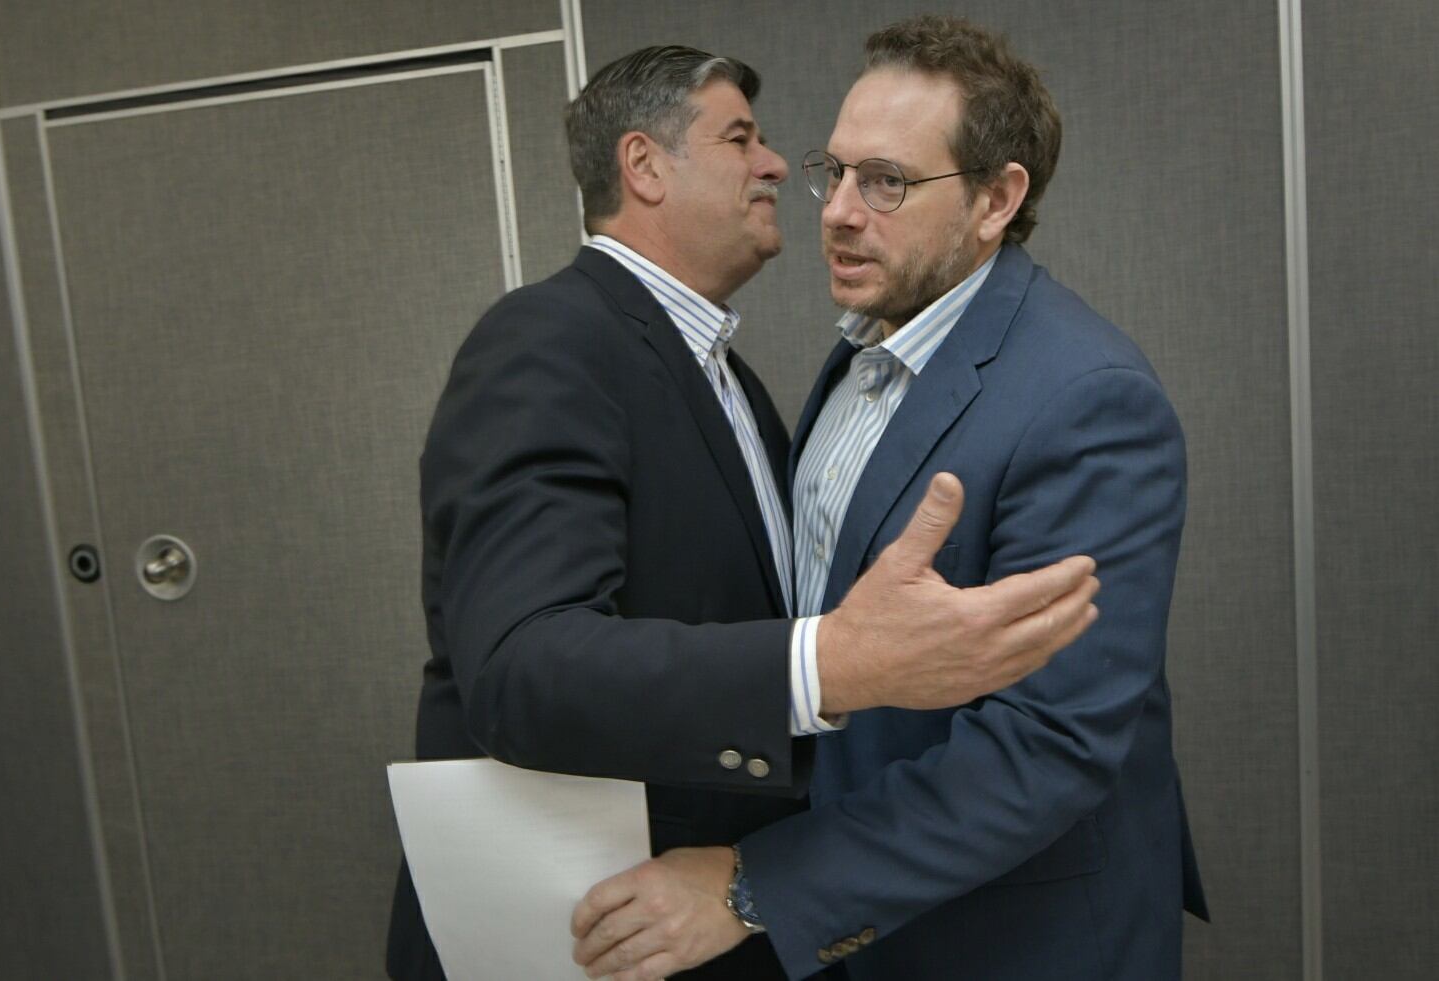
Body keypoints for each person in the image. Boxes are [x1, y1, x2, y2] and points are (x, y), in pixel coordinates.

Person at [387, 43, 1101, 981]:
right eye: (741, 138)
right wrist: (830, 662)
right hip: (586, 940)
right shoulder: (549, 342)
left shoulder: (733, 381)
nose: (777, 166)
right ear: (643, 166)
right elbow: (519, 667)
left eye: (880, 178)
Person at [571, 16, 1208, 981]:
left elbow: (1049, 746)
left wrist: (754, 886)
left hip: (1013, 939)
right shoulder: (870, 343)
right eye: (835, 171)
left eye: (889, 182)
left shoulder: (1087, 399)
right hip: (869, 920)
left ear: (997, 200)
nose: (835, 210)